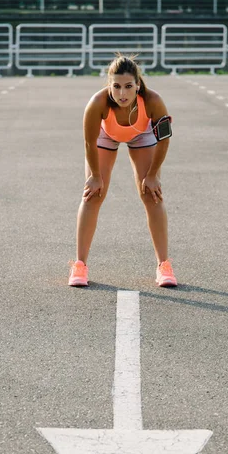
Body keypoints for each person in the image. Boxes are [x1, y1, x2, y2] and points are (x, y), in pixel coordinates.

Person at [68, 53, 177, 287]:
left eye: (128, 86)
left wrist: (153, 175)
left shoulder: (153, 101)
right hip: (106, 135)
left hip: (142, 134)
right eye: (116, 87)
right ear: (109, 86)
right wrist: (95, 177)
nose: (122, 93)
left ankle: (164, 265)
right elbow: (89, 143)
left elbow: (164, 139)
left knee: (152, 195)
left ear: (138, 85)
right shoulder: (97, 104)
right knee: (92, 195)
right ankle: (79, 265)